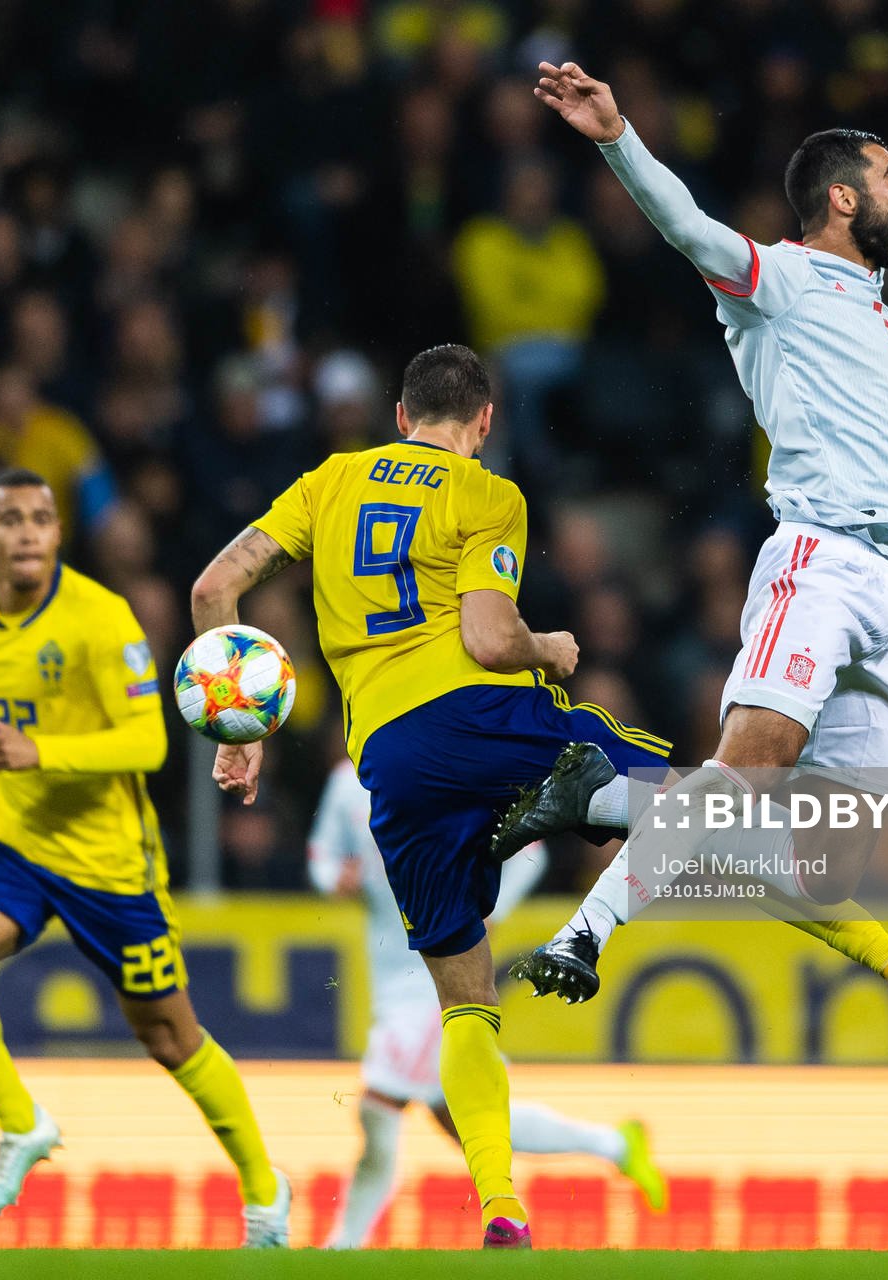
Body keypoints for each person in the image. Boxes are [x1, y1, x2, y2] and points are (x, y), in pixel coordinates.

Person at [504, 63, 888, 1014]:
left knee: (820, 869)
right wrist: (617, 135)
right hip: (819, 562)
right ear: (843, 194)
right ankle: (587, 930)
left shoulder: (870, 304)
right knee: (747, 769)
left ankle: (606, 800)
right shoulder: (781, 277)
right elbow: (687, 227)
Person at [190, 344, 672, 1249]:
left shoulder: (330, 482)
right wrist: (552, 647)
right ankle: (856, 917)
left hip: (393, 766)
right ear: (484, 423)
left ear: (399, 417)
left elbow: (215, 586)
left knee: (462, 1009)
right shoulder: (488, 494)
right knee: (689, 807)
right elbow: (493, 640)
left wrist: (241, 736)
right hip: (491, 726)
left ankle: (499, 1210)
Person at [0, 467, 289, 1242]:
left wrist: (37, 752)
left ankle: (264, 1189)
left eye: (40, 519)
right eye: (9, 519)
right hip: (11, 841)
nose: (25, 532)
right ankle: (23, 1126)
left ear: (58, 534)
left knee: (169, 1037)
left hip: (109, 864)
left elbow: (148, 742)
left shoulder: (100, 618)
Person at [307, 754, 666, 1249]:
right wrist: (335, 879)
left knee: (378, 1104)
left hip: (440, 971)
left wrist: (491, 907)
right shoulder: (346, 785)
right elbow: (321, 855)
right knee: (471, 1118)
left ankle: (341, 1248)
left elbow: (531, 849)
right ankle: (616, 1145)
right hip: (391, 974)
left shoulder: (444, 767)